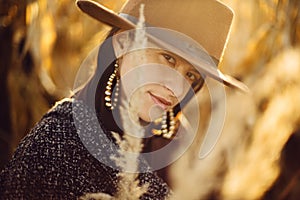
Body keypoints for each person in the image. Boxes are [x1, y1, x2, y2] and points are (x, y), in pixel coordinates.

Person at [0, 0, 248, 199]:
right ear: (122, 43)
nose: (175, 86)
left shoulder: (183, 154)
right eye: (168, 59)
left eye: (191, 74)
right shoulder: (58, 141)